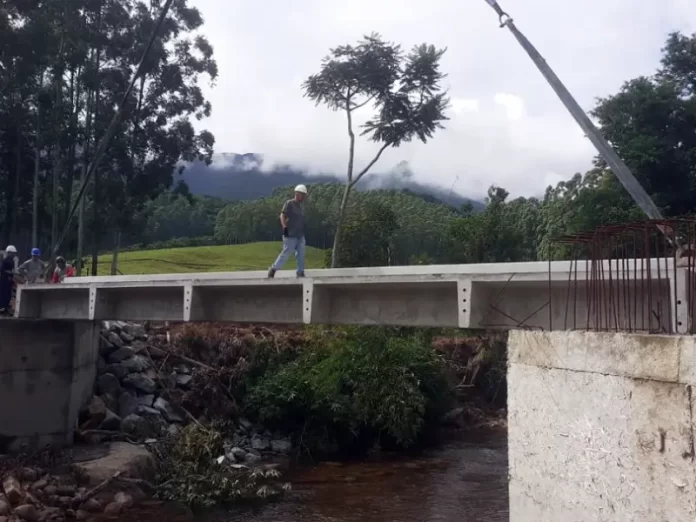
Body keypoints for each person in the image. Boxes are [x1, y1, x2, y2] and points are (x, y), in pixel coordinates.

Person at [267, 184, 307, 278]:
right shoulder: (289, 203)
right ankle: (273, 269)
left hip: (300, 235)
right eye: (302, 194)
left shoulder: (301, 206)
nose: (303, 197)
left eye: (304, 195)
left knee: (301, 254)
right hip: (290, 234)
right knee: (286, 253)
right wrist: (284, 226)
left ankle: (300, 272)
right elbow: (282, 215)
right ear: (297, 194)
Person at [0, 245, 19, 314]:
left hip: (9, 281)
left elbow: (13, 271)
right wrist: (8, 276)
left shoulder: (12, 261)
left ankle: (6, 308)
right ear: (9, 253)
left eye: (14, 253)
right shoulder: (5, 261)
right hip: (4, 280)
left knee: (8, 294)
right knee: (3, 294)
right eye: (12, 253)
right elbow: (2, 270)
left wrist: (12, 278)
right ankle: (2, 308)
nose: (14, 254)